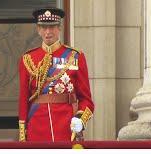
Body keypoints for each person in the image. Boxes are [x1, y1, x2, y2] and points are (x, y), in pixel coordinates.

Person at [18, 8, 94, 142]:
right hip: (37, 128)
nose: (48, 32)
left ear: (59, 28)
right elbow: (24, 100)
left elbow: (86, 100)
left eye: (52, 27)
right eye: (44, 27)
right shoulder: (28, 59)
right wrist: (23, 135)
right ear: (38, 29)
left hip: (66, 127)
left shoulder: (75, 57)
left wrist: (80, 119)